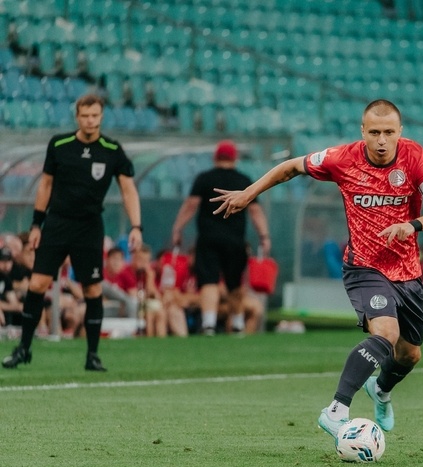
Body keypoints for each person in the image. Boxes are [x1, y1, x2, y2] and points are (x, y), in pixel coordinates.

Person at [210, 99, 423, 440]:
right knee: (385, 332)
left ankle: (381, 390)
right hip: (364, 266)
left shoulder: (414, 158)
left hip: (407, 271)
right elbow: (291, 167)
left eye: (388, 132)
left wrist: (412, 225)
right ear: (362, 132)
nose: (381, 140)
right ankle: (336, 410)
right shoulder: (342, 158)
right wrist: (250, 193)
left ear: (400, 132)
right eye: (374, 132)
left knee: (410, 355)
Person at [3, 94, 142, 371]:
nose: (90, 120)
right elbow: (45, 185)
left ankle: (92, 355)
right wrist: (36, 225)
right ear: (77, 117)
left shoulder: (112, 150)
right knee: (37, 285)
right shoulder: (60, 144)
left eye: (95, 115)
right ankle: (23, 349)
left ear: (101, 117)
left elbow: (128, 189)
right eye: (85, 115)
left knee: (92, 289)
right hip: (57, 224)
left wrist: (136, 226)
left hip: (89, 227)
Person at [171, 140, 270, 335]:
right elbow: (256, 211)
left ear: (215, 157)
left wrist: (177, 229)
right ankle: (238, 323)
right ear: (235, 158)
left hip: (209, 238)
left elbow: (190, 205)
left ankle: (208, 323)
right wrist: (264, 236)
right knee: (235, 283)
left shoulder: (205, 179)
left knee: (209, 281)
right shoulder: (244, 180)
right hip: (235, 240)